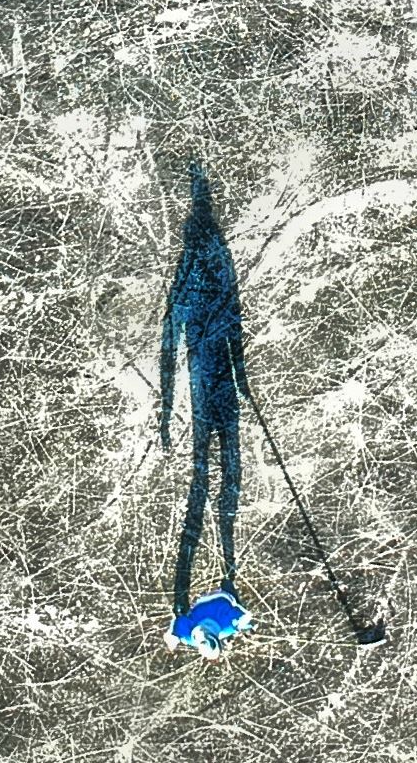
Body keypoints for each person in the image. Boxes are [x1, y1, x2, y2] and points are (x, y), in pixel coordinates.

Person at [160, 162, 252, 657]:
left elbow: (180, 337)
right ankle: (217, 509)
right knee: (216, 460)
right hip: (209, 374)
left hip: (208, 374)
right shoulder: (212, 265)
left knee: (219, 461)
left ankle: (216, 505)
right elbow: (219, 324)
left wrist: (242, 375)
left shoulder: (200, 269)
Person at [164, 590, 254, 660]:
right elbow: (243, 616)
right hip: (220, 598)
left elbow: (177, 625)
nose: (203, 634)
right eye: (208, 638)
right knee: (229, 585)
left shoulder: (187, 635)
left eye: (202, 641)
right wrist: (246, 626)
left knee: (180, 607)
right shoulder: (227, 625)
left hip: (201, 605)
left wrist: (172, 638)